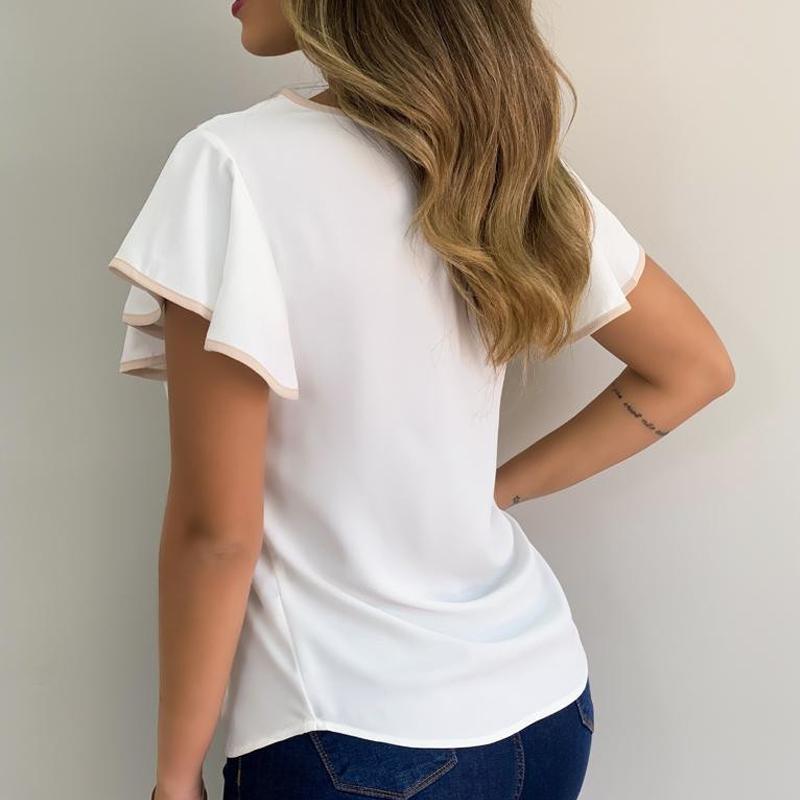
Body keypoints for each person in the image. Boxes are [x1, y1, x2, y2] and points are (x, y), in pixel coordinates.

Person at [106, 1, 735, 799]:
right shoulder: (503, 165)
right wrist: (497, 491)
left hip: (351, 733)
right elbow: (693, 369)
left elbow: (216, 533)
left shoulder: (230, 166)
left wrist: (173, 779)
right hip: (546, 711)